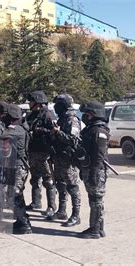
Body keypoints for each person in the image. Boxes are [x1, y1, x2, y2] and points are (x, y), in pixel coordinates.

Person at [77, 101, 110, 239]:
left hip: (96, 170)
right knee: (94, 198)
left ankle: (95, 229)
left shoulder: (99, 131)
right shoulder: (91, 128)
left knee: (96, 199)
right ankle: (98, 228)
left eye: (87, 114)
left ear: (94, 115)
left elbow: (99, 155)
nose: (85, 116)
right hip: (90, 168)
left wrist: (94, 173)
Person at [49, 94, 82, 227]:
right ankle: (62, 211)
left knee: (72, 187)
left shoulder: (71, 119)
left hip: (68, 159)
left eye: (58, 104)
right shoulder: (62, 118)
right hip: (58, 157)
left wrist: (58, 132)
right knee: (60, 185)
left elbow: (72, 140)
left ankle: (76, 215)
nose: (55, 107)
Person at [0, 104, 32, 234]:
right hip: (13, 165)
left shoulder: (17, 129)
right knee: (16, 195)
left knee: (15, 194)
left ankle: (25, 224)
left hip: (19, 166)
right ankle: (21, 220)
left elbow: (0, 135)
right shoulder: (16, 127)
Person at [25, 91, 58, 217]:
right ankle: (36, 202)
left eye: (31, 102)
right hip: (33, 151)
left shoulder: (48, 115)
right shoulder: (32, 115)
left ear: (37, 102)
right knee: (34, 178)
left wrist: (41, 131)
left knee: (48, 181)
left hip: (45, 153)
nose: (29, 104)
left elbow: (55, 132)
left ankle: (51, 206)